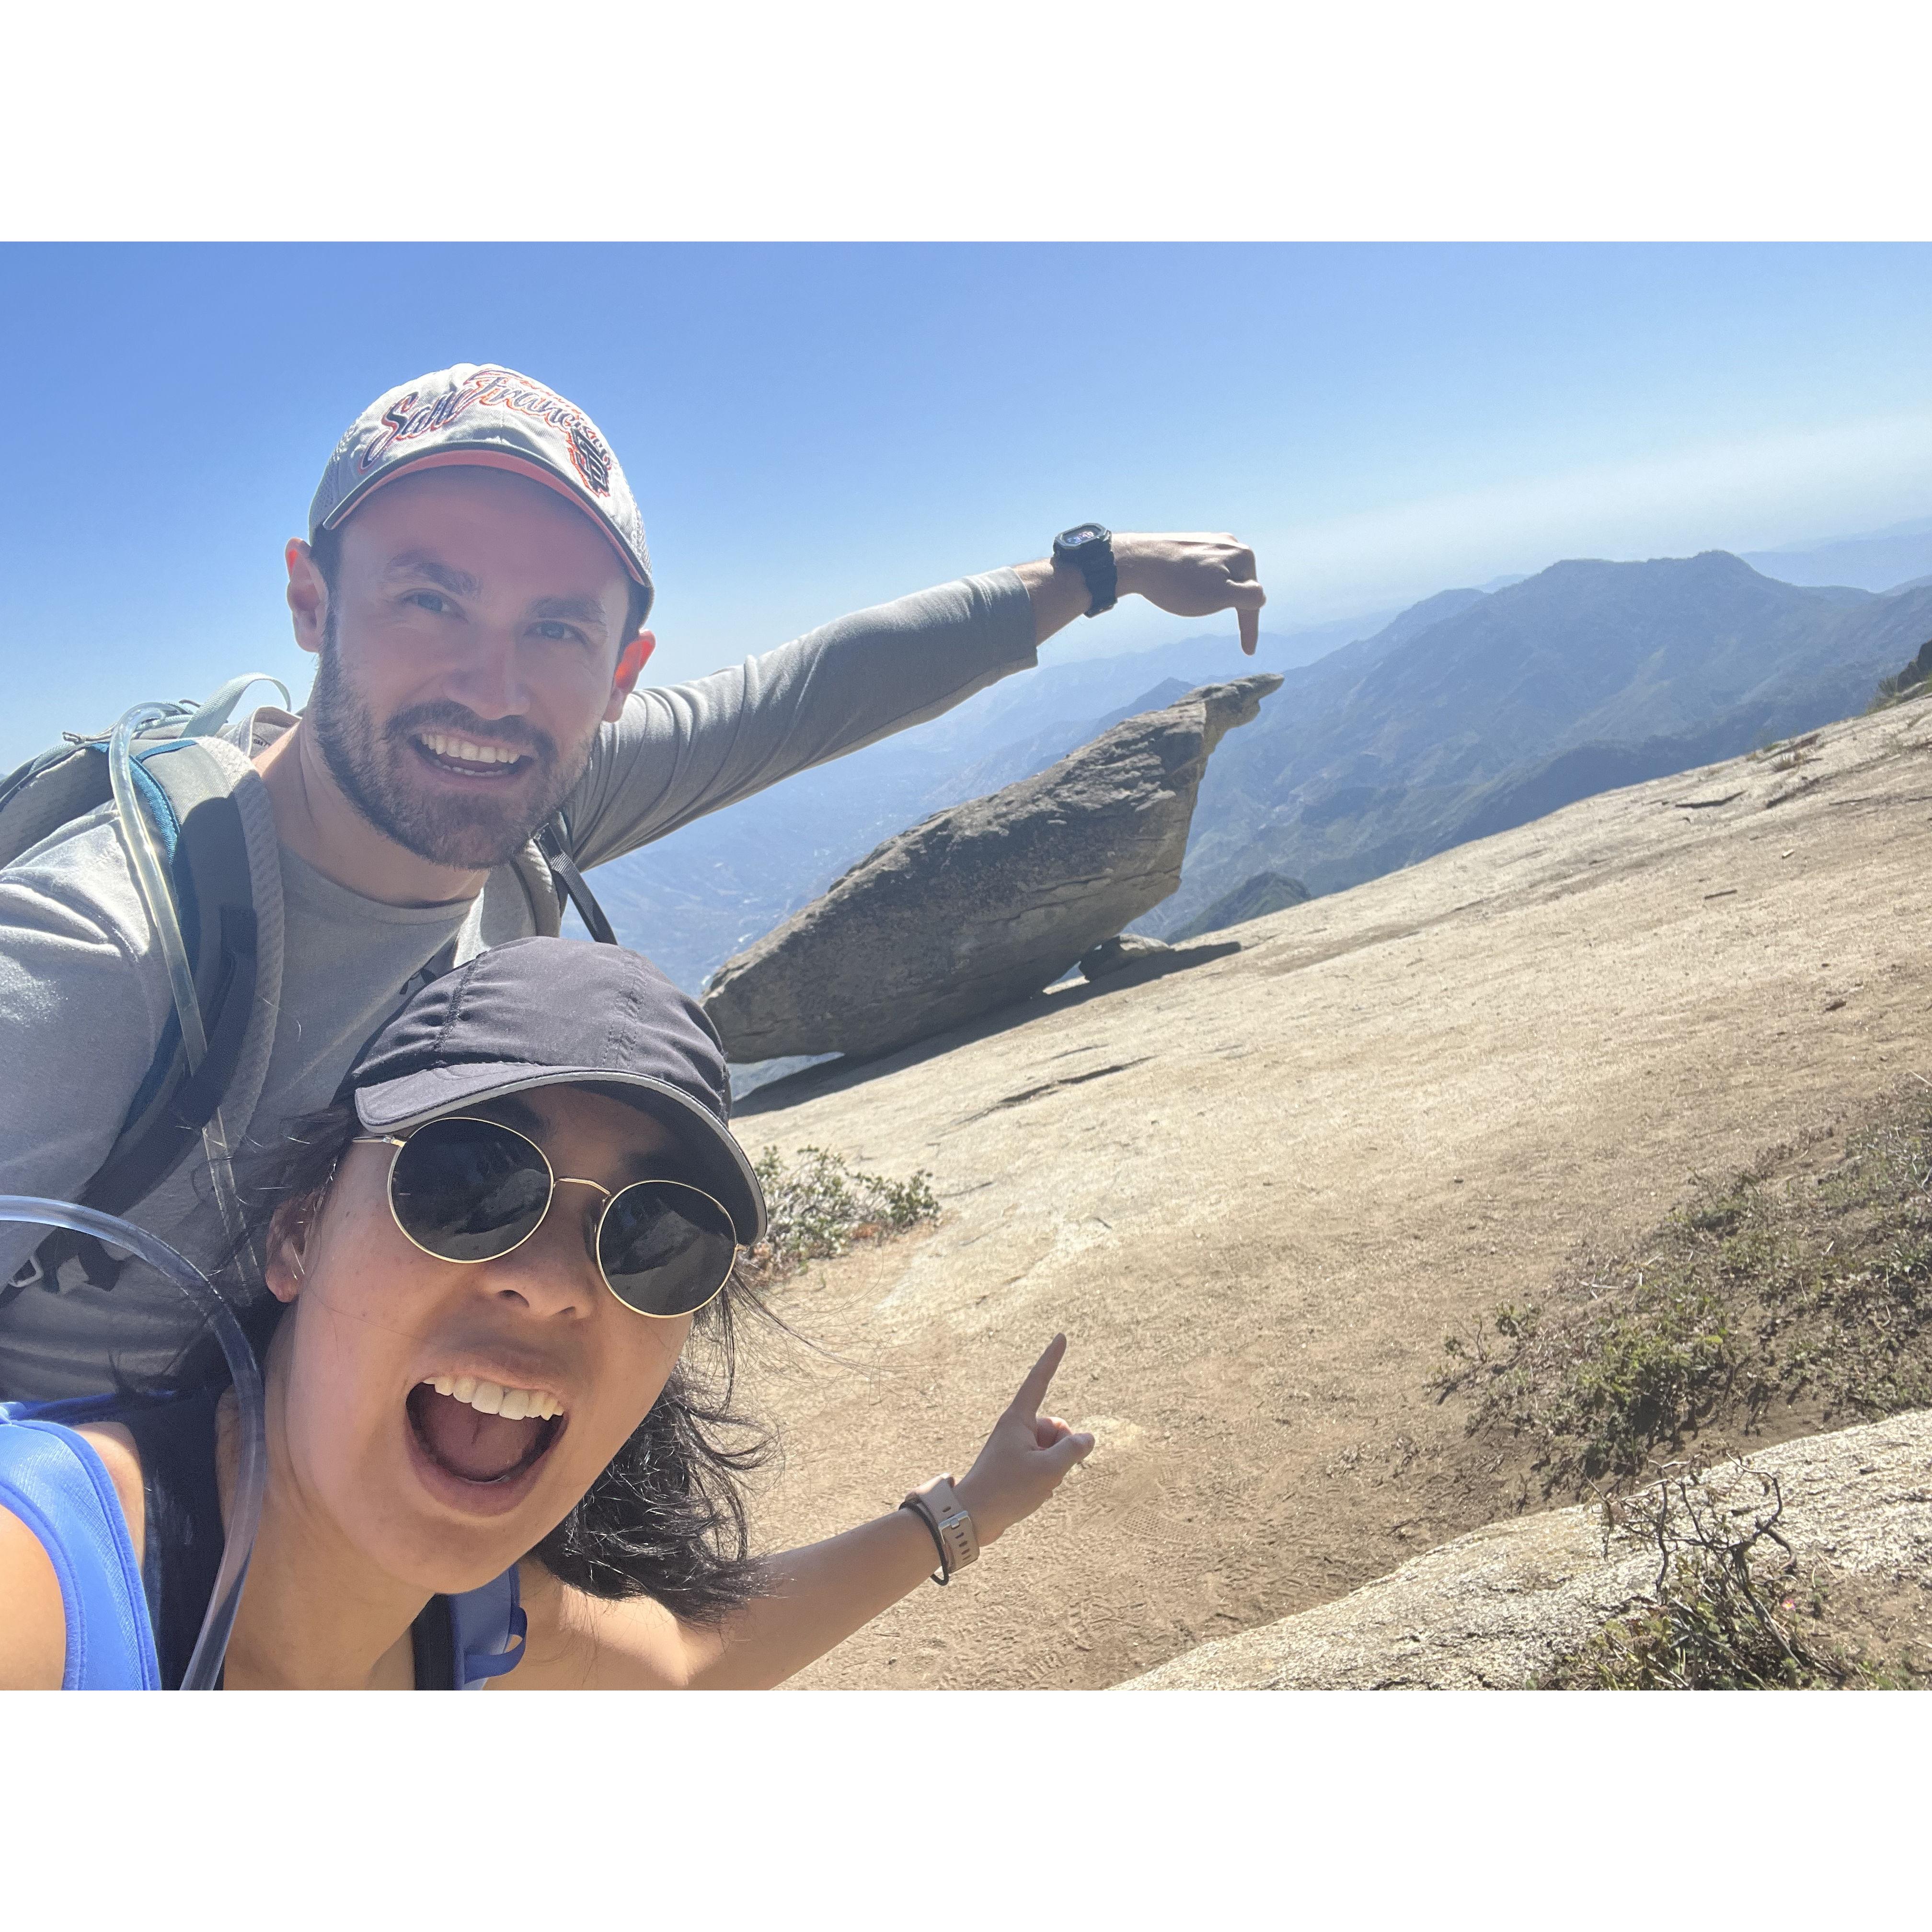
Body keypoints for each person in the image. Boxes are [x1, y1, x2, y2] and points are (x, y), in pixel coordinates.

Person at [0, 360, 1268, 1399]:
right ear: (310, 598)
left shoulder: (544, 795)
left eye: (556, 628)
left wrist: (1098, 574)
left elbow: (810, 696)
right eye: (430, 601)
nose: (493, 692)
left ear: (621, 668)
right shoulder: (93, 958)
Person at [0, 936, 1095, 1690]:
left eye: (658, 1238)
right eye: (469, 1181)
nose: (559, 1283)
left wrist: (971, 1511)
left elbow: (687, 1665)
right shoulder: (40, 1594)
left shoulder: (464, 1618)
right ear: (298, 1234)